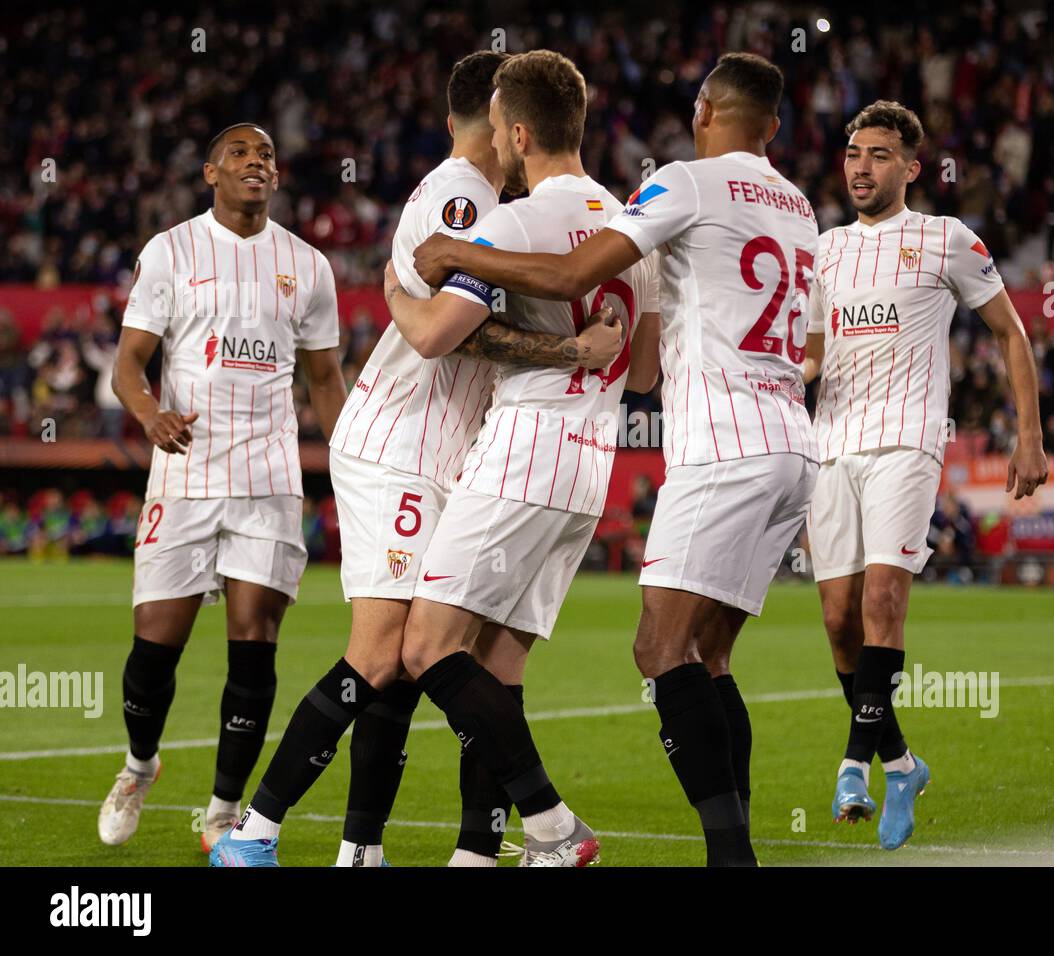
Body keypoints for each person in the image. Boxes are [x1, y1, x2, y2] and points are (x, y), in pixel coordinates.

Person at [209, 52, 623, 868]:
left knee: (422, 659)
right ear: (501, 122)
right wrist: (570, 347)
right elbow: (446, 329)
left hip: (451, 448)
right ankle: (254, 831)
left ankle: (370, 846)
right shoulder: (465, 197)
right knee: (384, 650)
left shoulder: (501, 200)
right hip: (403, 443)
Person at [411, 52, 819, 867]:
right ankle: (486, 847)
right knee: (707, 657)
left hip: (714, 446)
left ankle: (577, 833)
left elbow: (561, 275)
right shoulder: (799, 204)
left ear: (705, 109)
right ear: (771, 126)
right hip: (786, 441)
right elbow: (642, 367)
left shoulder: (683, 184)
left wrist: (455, 254)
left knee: (652, 654)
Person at [802, 100, 1047, 849]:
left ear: (911, 167)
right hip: (830, 444)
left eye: (878, 155)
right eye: (853, 154)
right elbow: (813, 353)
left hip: (908, 440)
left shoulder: (946, 240)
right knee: (840, 619)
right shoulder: (824, 250)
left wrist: (1028, 435)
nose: (861, 167)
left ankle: (854, 762)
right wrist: (779, 379)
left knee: (882, 598)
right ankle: (902, 762)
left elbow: (1011, 332)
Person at [98, 123, 348, 853]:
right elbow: (128, 365)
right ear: (211, 172)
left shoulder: (307, 265)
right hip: (185, 470)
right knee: (154, 648)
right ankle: (140, 765)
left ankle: (223, 811)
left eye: (266, 154)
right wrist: (150, 415)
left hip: (267, 477)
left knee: (254, 644)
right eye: (240, 153)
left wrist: (351, 465)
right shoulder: (171, 250)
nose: (256, 162)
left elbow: (325, 378)